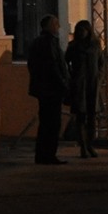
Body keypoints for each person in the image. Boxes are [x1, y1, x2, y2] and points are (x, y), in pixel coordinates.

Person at [29, 12, 68, 164]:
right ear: (49, 26)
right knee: (52, 124)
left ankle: (42, 155)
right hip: (51, 89)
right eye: (55, 24)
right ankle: (48, 155)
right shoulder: (49, 42)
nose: (58, 26)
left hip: (43, 89)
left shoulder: (38, 42)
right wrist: (62, 83)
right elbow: (53, 65)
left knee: (46, 123)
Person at [65, 18, 101, 158]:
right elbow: (66, 62)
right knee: (80, 116)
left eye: (84, 30)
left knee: (92, 116)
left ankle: (90, 144)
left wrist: (99, 76)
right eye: (79, 30)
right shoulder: (73, 46)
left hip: (92, 83)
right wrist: (72, 76)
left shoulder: (95, 45)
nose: (82, 33)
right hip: (79, 84)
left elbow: (101, 62)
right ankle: (83, 146)